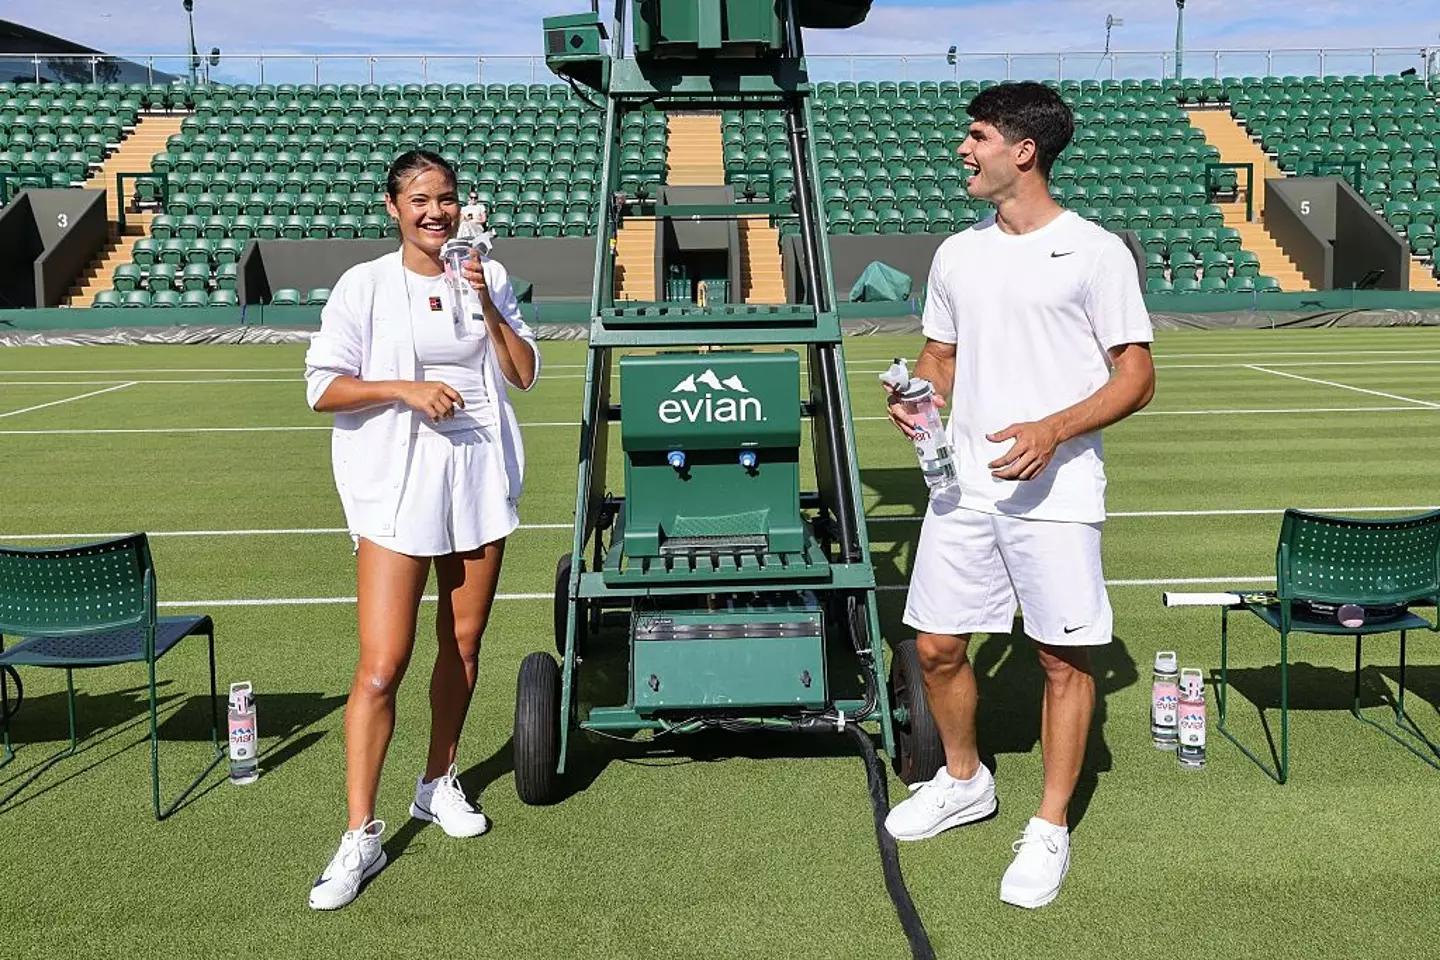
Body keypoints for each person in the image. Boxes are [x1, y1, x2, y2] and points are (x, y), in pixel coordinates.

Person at [882, 81, 1155, 910]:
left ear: (1022, 150)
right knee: (935, 647)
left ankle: (1049, 826)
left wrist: (1055, 429)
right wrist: (916, 394)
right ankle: (964, 781)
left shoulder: (1096, 251)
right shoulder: (957, 252)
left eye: (976, 136)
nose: (962, 150)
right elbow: (941, 354)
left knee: (1060, 660)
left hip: (1057, 490)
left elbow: (1137, 376)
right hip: (961, 489)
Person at [302, 150, 540, 911]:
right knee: (382, 665)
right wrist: (404, 389)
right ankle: (359, 834)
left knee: (463, 645)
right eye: (420, 200)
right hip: (396, 487)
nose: (435, 212)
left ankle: (437, 781)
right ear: (393, 206)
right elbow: (322, 387)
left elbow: (524, 373)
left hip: (478, 479)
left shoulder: (487, 273)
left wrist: (489, 302)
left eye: (446, 199)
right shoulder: (364, 285)